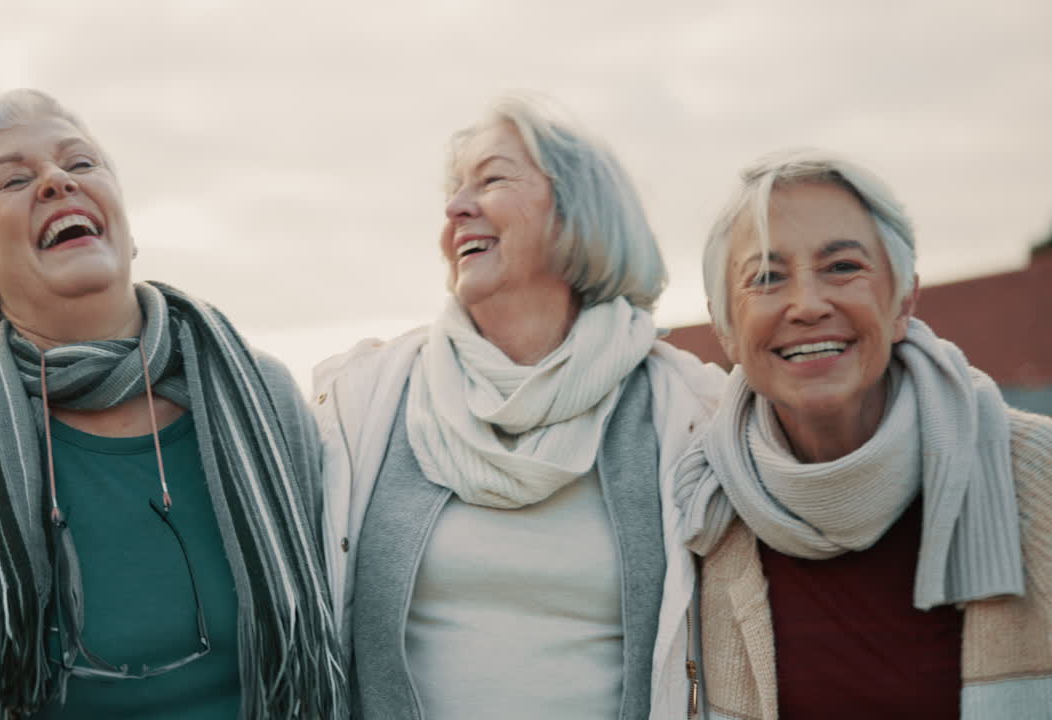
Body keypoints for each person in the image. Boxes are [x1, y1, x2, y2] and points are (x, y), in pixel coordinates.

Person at [0, 89, 345, 720]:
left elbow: (342, 633)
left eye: (80, 164)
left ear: (128, 229)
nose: (57, 181)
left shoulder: (263, 397)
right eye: (14, 178)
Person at [312, 95, 725, 720]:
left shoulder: (690, 408)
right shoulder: (363, 397)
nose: (455, 208)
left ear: (577, 211)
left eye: (493, 178)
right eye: (454, 191)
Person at [676, 148, 1052, 719]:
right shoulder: (699, 508)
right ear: (726, 328)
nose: (807, 304)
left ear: (904, 302)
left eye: (843, 267)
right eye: (768, 277)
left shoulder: (1037, 473)